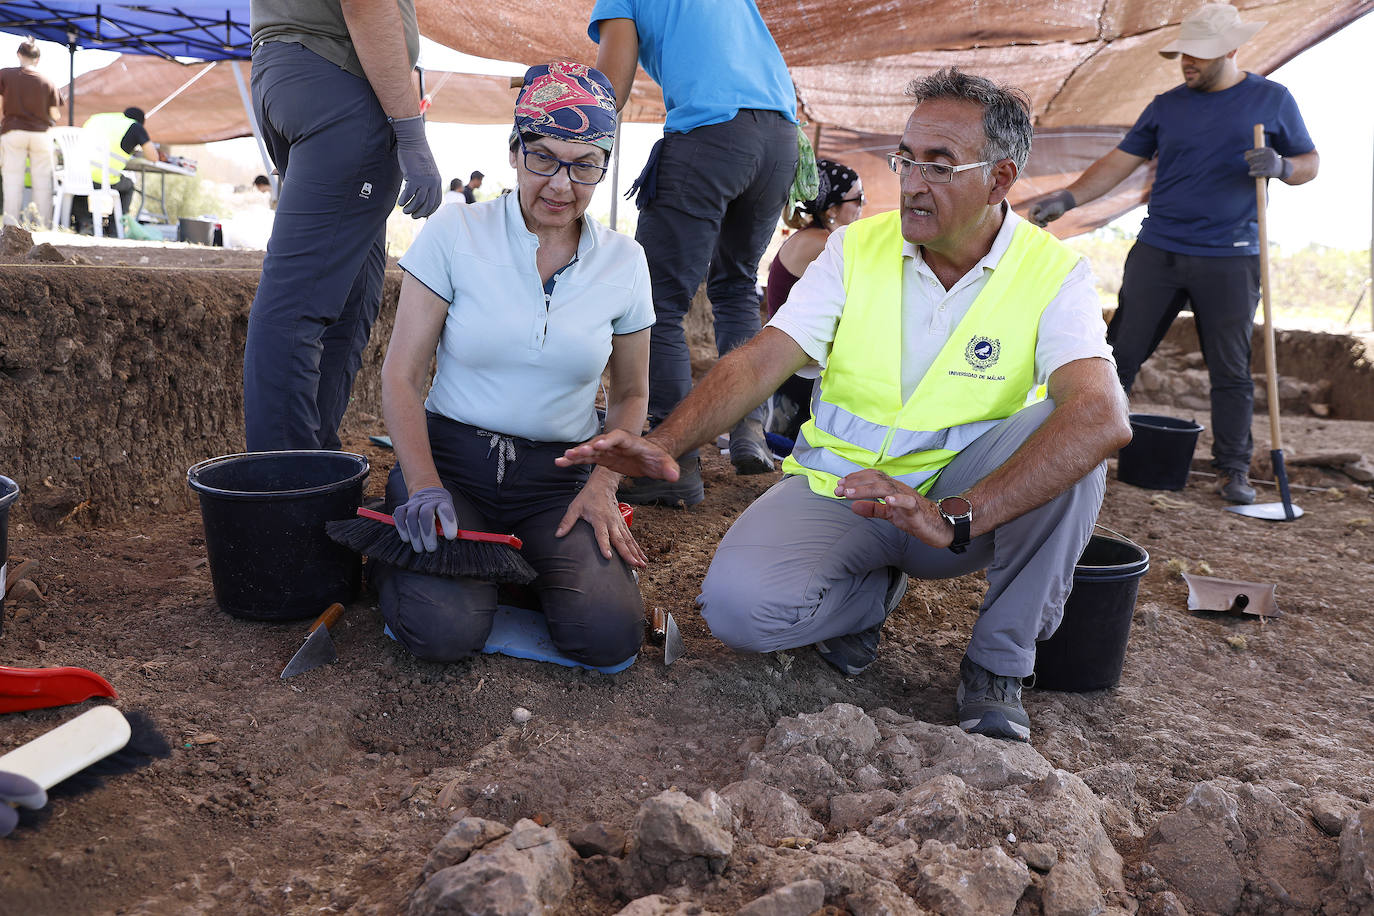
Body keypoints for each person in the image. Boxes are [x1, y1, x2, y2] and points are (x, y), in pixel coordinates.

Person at [560, 68, 1132, 741]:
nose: (912, 181)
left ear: (1000, 179)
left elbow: (1102, 416)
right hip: (842, 491)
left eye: (939, 165)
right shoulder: (856, 249)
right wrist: (661, 445)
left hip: (957, 506)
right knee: (739, 613)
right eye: (907, 158)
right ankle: (868, 600)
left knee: (1077, 440)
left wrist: (957, 517)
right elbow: (759, 360)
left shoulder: (1052, 272)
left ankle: (997, 665)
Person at [375, 62, 652, 668]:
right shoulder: (456, 231)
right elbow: (401, 375)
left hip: (559, 478)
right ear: (513, 151)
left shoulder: (625, 261)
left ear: (605, 165)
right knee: (440, 631)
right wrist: (422, 485)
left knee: (609, 636)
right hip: (453, 467)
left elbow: (632, 394)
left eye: (585, 165)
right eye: (544, 158)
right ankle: (433, 572)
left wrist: (604, 484)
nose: (561, 184)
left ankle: (509, 571)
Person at [1024, 2, 1318, 505]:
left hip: (1231, 255)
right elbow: (1119, 162)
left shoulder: (1271, 100)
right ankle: (1075, 454)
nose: (1188, 62)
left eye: (1199, 55)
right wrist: (1067, 199)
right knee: (1115, 357)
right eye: (1184, 53)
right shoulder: (1166, 105)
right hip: (1159, 249)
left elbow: (1310, 163)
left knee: (1230, 371)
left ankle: (1233, 471)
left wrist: (1282, 166)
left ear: (1231, 49)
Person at [589, 0, 799, 503]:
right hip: (779, 139)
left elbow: (608, 88)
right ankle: (748, 428)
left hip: (712, 134)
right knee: (735, 287)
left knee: (655, 304)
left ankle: (671, 462)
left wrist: (558, 105)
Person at [243, 0, 442, 452]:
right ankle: (286, 482)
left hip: (294, 72)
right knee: (298, 302)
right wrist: (410, 131)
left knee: (355, 291)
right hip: (340, 78)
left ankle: (316, 458)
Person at [765, 159, 865, 446]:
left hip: (791, 364)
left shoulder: (811, 236)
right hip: (798, 371)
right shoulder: (825, 243)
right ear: (832, 208)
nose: (863, 205)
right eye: (857, 198)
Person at [0, 37, 61, 229]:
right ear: (38, 59)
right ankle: (41, 225)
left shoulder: (5, 75)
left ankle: (11, 226)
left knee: (12, 180)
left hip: (13, 130)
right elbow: (55, 114)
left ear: (19, 55)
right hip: (41, 134)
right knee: (42, 181)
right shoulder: (48, 81)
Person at [77, 106, 160, 233]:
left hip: (78, 174)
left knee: (81, 187)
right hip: (102, 178)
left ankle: (84, 222)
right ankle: (115, 228)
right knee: (129, 185)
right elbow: (153, 157)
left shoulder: (99, 118)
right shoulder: (135, 127)